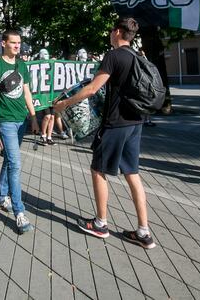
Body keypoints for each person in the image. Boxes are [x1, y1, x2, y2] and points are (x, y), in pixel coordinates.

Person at [54, 17, 155, 249]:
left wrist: (64, 104)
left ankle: (100, 223)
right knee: (132, 173)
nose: (110, 35)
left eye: (111, 31)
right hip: (135, 122)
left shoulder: (113, 56)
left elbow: (91, 89)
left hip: (115, 124)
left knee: (98, 169)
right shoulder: (137, 57)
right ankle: (143, 231)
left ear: (118, 32)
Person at [0, 30, 39, 234]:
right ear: (3, 43)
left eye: (19, 43)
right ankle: (19, 212)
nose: (17, 46)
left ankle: (2, 196)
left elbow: (27, 92)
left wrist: (34, 117)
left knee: (10, 161)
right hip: (5, 121)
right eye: (13, 43)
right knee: (16, 164)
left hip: (22, 121)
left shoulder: (22, 65)